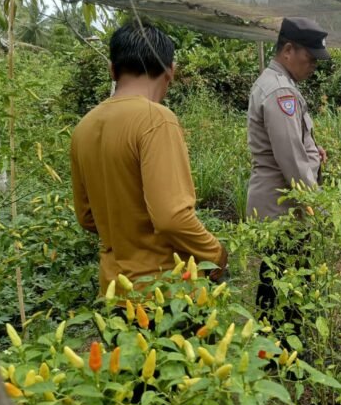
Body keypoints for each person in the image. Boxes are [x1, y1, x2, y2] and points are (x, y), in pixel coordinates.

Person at [70, 21, 227, 298]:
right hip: (166, 291)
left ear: (112, 70)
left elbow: (86, 217)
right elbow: (172, 218)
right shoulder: (157, 119)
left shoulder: (84, 127)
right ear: (171, 71)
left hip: (115, 291)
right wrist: (215, 252)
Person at [246, 17, 330, 318]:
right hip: (283, 208)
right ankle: (282, 356)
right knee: (284, 286)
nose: (313, 66)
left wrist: (313, 152)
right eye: (310, 59)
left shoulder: (278, 84)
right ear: (288, 51)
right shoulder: (281, 92)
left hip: (279, 204)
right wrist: (320, 210)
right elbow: (292, 162)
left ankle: (274, 351)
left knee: (277, 279)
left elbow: (290, 147)